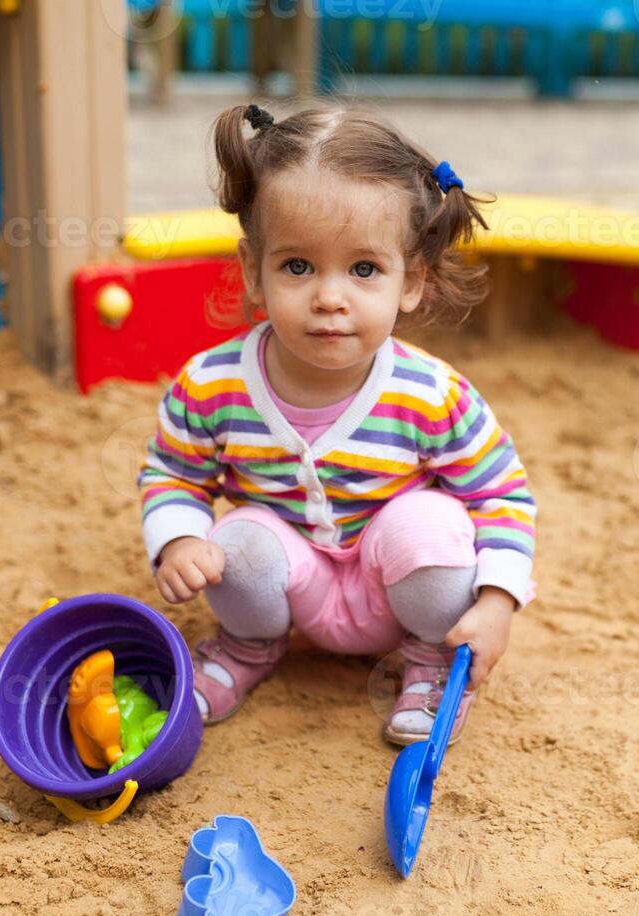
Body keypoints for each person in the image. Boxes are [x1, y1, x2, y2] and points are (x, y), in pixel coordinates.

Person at [138, 103, 537, 746]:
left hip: (399, 592)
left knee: (429, 523)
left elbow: (502, 498)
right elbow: (171, 473)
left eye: (363, 269)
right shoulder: (212, 386)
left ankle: (431, 665)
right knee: (237, 540)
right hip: (289, 594)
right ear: (253, 270)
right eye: (298, 266)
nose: (330, 297)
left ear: (411, 281)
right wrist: (179, 539)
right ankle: (245, 648)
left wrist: (496, 603)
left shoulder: (433, 396)